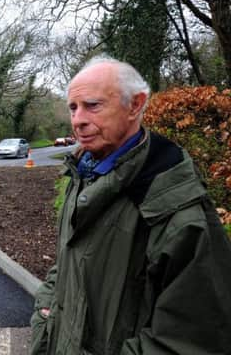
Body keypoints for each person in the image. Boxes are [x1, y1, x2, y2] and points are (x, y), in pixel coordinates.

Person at [30, 56, 231, 354]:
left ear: (135, 106)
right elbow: (69, 258)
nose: (78, 120)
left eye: (92, 105)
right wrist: (45, 309)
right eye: (73, 107)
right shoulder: (83, 172)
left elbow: (194, 337)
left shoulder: (174, 207)